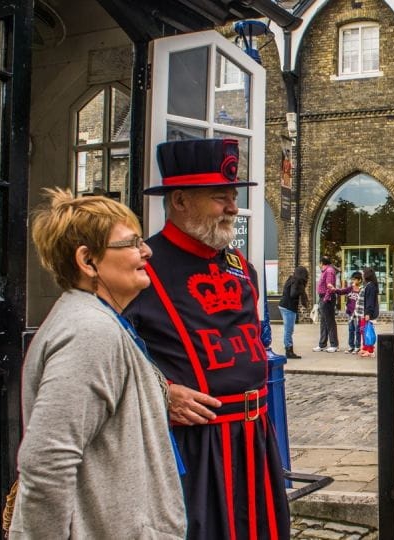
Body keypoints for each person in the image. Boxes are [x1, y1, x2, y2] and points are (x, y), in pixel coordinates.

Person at [123, 138, 290, 539]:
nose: (232, 208)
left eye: (232, 197)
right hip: (193, 445)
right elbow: (109, 359)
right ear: (180, 200)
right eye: (220, 198)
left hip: (255, 438)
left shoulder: (239, 266)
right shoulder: (141, 268)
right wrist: (162, 393)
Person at [10, 189, 185, 538]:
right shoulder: (89, 332)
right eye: (131, 243)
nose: (146, 250)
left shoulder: (98, 322)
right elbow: (46, 462)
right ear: (88, 261)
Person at [278, 266, 308, 359]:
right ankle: (289, 351)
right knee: (289, 330)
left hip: (283, 305)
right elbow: (293, 294)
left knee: (288, 329)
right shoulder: (297, 282)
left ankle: (288, 348)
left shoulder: (291, 279)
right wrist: (301, 291)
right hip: (288, 307)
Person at [313, 255, 339, 353]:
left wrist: (326, 299)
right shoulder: (326, 271)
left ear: (321, 263)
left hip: (327, 298)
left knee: (330, 322)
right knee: (323, 322)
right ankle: (322, 344)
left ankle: (334, 344)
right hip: (323, 298)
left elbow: (330, 286)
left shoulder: (329, 271)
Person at [336, 271, 362, 354]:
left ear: (360, 280)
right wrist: (334, 289)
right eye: (353, 279)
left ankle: (357, 347)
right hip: (350, 313)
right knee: (351, 329)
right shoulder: (350, 288)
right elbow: (341, 292)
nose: (353, 281)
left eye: (355, 280)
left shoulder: (361, 290)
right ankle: (351, 346)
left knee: (357, 330)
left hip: (358, 314)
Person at [357, 266, 380, 358]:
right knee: (363, 331)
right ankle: (365, 347)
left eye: (363, 273)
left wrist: (368, 314)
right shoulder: (369, 285)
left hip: (366, 313)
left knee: (368, 331)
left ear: (367, 275)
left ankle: (370, 350)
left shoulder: (370, 286)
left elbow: (370, 301)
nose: (362, 275)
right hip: (363, 312)